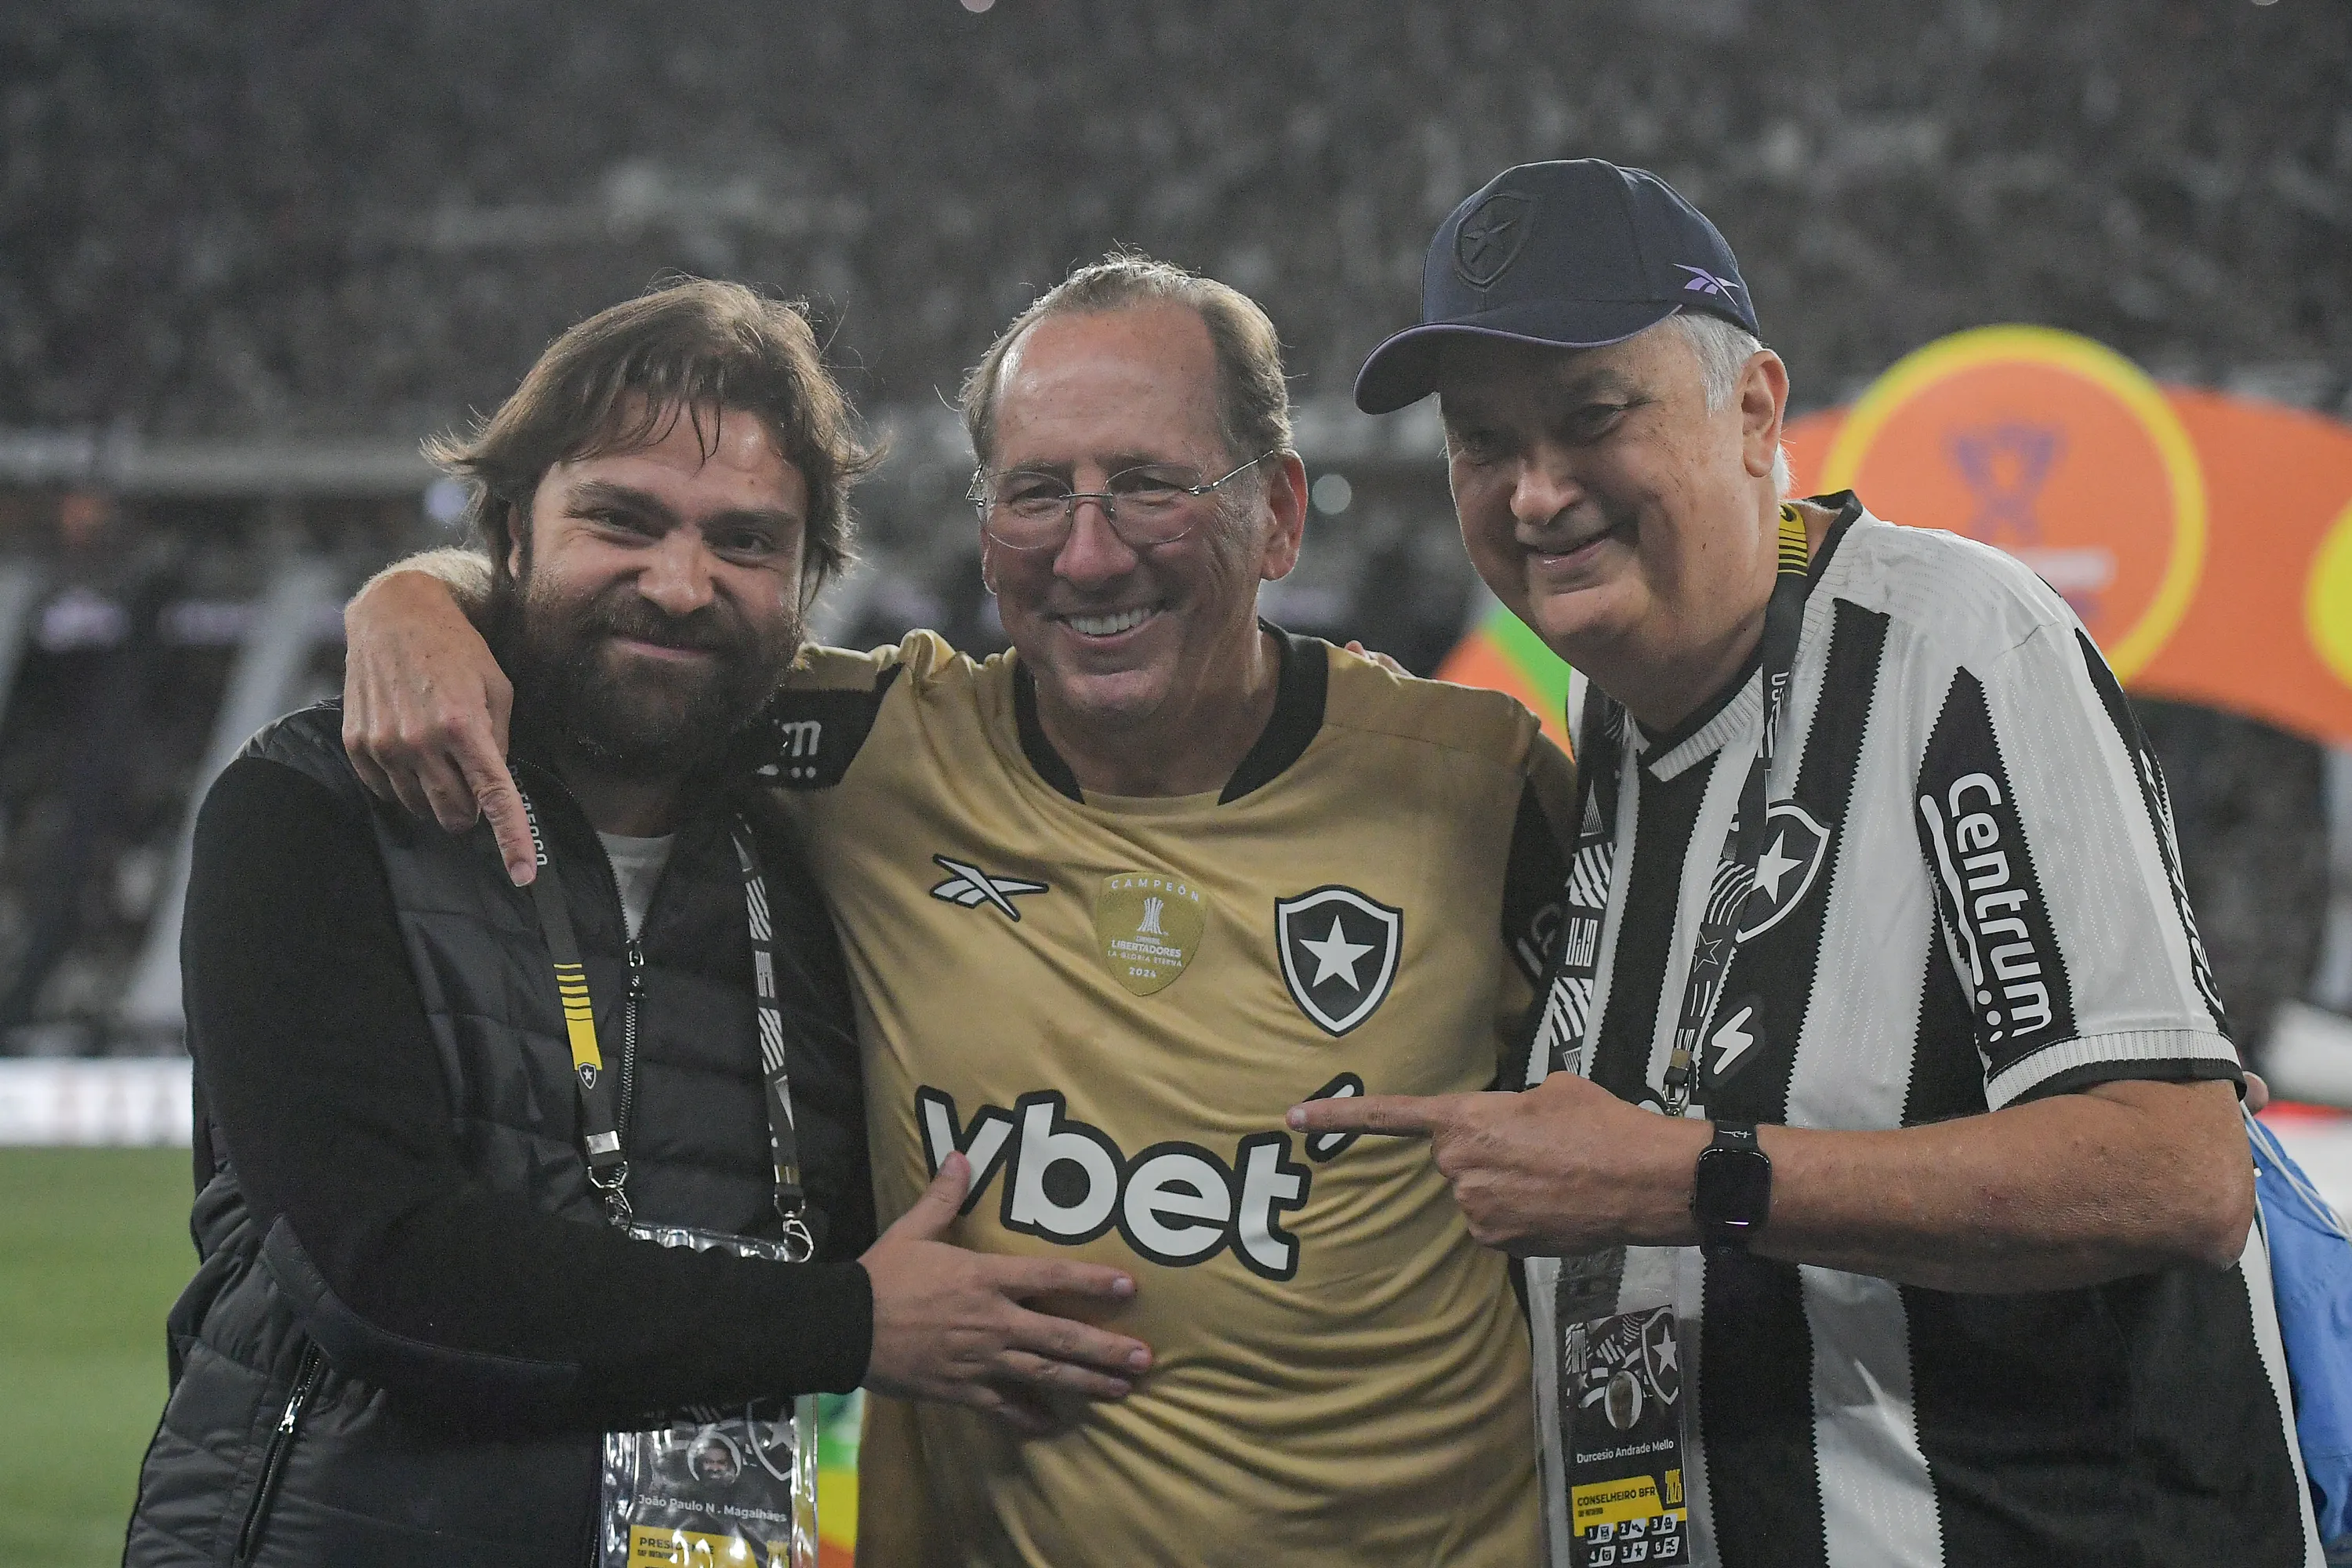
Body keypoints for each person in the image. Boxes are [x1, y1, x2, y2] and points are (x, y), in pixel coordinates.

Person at [339, 256, 1573, 1565]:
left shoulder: (1482, 791)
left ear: (1276, 515)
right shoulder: (865, 754)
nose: (1088, 553)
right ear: (987, 535)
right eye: (1036, 494)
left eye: (1149, 486)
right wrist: (419, 599)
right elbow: (636, 628)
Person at [1294, 159, 2320, 1566]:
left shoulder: (1958, 646)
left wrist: (1693, 1179)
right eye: (1484, 443)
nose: (1534, 492)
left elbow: (2175, 1168)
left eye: (1592, 417)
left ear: (1755, 412)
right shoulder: (1614, 715)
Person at [124, 281, 1151, 1568]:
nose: (679, 584)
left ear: (807, 585)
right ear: (512, 531)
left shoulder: (825, 861)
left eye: (746, 542)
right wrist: (850, 1326)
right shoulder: (313, 808)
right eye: (622, 519)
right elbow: (382, 1268)